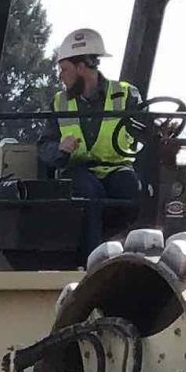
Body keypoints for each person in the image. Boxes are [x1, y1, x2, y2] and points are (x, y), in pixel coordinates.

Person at [45, 27, 144, 260]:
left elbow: (144, 129)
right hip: (77, 170)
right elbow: (45, 145)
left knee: (131, 188)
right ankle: (93, 262)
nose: (61, 76)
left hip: (116, 169)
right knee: (90, 193)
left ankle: (132, 255)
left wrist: (161, 132)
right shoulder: (59, 102)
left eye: (64, 69)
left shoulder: (125, 95)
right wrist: (59, 149)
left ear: (81, 68)